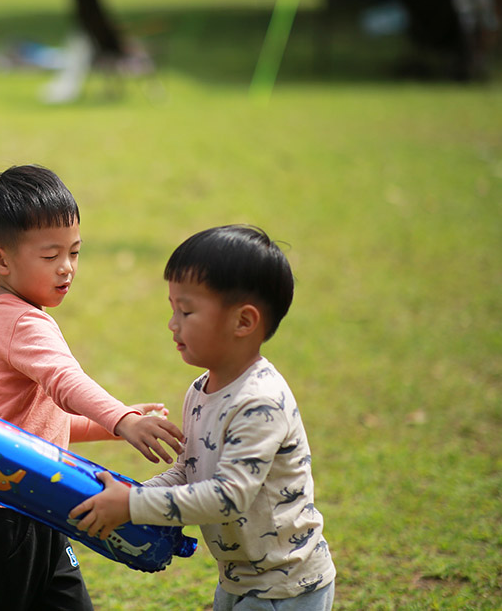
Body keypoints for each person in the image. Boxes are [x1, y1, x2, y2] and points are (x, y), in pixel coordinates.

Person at [0, 165, 186, 611]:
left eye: (74, 252)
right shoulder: (22, 322)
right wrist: (123, 418)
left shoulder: (10, 314)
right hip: (3, 511)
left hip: (37, 502)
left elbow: (43, 422)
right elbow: (65, 382)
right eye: (50, 255)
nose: (67, 268)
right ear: (0, 260)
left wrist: (109, 428)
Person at [70, 225, 336, 611]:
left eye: (187, 311)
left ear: (243, 322)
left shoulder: (260, 403)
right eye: (172, 308)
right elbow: (190, 469)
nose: (172, 324)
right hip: (237, 578)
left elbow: (229, 496)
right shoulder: (200, 390)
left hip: (288, 586)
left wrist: (134, 504)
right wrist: (131, 494)